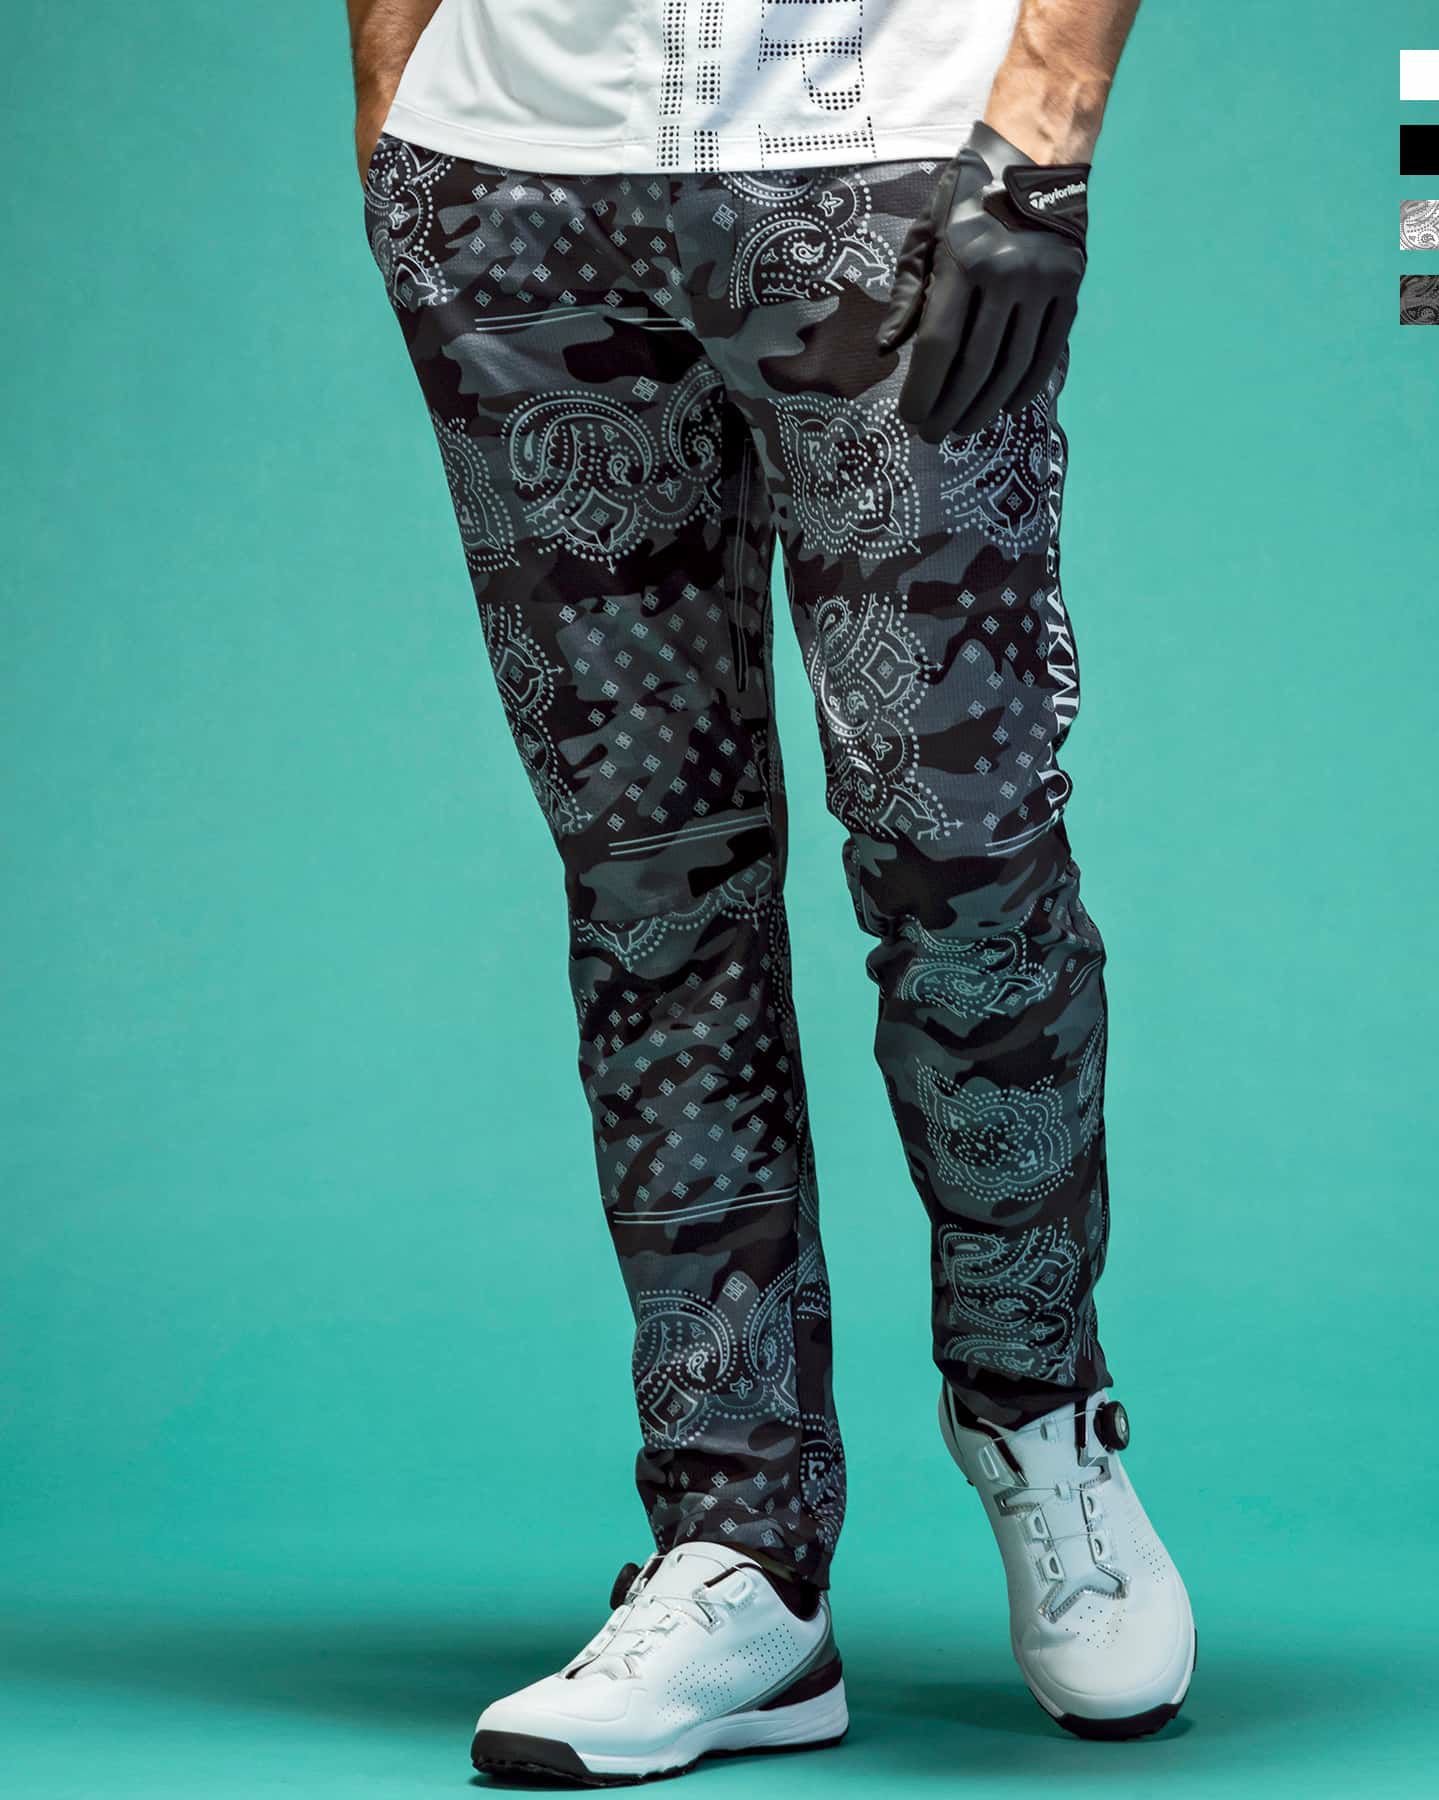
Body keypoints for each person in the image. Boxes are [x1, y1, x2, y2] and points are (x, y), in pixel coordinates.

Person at [347, 0, 1194, 1781]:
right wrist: (394, 85)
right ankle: (739, 1555)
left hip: (881, 151)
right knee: (650, 893)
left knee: (960, 852)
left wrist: (1047, 117)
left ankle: (1038, 1412)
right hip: (513, 167)